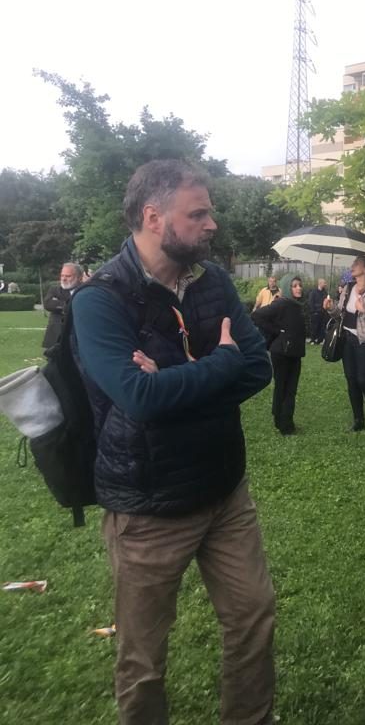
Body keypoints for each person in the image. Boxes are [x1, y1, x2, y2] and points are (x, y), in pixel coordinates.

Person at [72, 159, 275, 724]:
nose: (212, 224)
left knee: (254, 617)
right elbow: (139, 398)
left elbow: (258, 368)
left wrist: (174, 382)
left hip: (224, 489)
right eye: (198, 214)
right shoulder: (99, 299)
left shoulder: (213, 282)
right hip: (147, 506)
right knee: (143, 656)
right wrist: (219, 365)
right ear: (153, 216)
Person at [326, 256, 365, 434]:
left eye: (356, 264)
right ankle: (358, 420)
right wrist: (331, 308)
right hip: (347, 340)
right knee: (351, 380)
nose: (352, 266)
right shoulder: (348, 288)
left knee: (364, 381)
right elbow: (340, 315)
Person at [253, 277, 308, 435]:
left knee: (291, 388)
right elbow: (257, 315)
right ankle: (283, 423)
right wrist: (277, 331)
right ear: (287, 287)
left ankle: (285, 421)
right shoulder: (282, 303)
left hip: (294, 352)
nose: (298, 288)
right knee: (283, 387)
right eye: (294, 286)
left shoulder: (298, 305)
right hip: (282, 352)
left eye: (300, 285)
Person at [42, 262, 84, 349]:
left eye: (68, 276)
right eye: (62, 276)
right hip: (55, 337)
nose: (64, 279)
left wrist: (59, 303)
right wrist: (68, 305)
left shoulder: (85, 290)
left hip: (79, 337)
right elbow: (48, 304)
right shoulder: (55, 289)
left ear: (79, 277)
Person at [308, 277, 328, 344]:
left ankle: (320, 340)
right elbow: (311, 302)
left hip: (323, 312)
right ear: (320, 283)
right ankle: (313, 339)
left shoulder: (325, 292)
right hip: (315, 313)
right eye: (324, 283)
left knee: (322, 327)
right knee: (314, 327)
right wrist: (314, 311)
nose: (325, 284)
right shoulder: (313, 292)